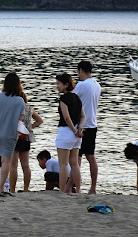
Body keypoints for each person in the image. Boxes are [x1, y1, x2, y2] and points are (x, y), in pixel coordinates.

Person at [55, 72, 86, 193]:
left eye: (59, 84)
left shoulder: (63, 98)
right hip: (77, 135)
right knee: (74, 164)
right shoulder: (77, 98)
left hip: (66, 132)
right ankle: (78, 190)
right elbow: (83, 116)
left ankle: (62, 190)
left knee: (63, 164)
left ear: (66, 84)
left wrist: (74, 130)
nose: (57, 86)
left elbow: (66, 118)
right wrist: (80, 128)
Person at [73, 60, 101, 194]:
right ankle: (93, 187)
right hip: (93, 124)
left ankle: (76, 187)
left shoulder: (81, 85)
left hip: (81, 125)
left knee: (77, 158)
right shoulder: (97, 85)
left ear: (81, 70)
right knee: (91, 157)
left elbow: (71, 100)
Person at [10, 92, 43, 192]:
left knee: (13, 166)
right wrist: (29, 127)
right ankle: (26, 189)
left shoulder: (13, 108)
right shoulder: (29, 108)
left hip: (15, 138)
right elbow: (40, 121)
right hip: (26, 138)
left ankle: (12, 189)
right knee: (25, 165)